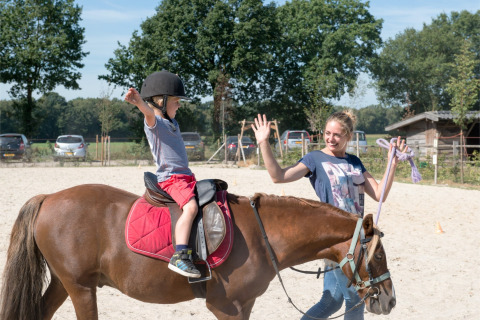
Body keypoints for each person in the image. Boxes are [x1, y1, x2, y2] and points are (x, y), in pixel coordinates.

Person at [252, 111, 406, 319]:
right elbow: (278, 176)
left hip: (355, 240)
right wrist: (263, 143)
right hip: (337, 243)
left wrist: (392, 164)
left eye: (337, 135)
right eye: (327, 133)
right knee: (356, 300)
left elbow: (379, 194)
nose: (330, 139)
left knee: (332, 300)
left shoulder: (355, 162)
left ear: (348, 137)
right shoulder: (315, 159)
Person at [124, 70, 200, 279]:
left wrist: (171, 82)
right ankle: (181, 255)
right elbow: (149, 114)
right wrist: (140, 102)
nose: (179, 104)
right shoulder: (155, 124)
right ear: (161, 102)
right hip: (172, 179)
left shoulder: (172, 123)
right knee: (191, 208)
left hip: (186, 177)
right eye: (176, 100)